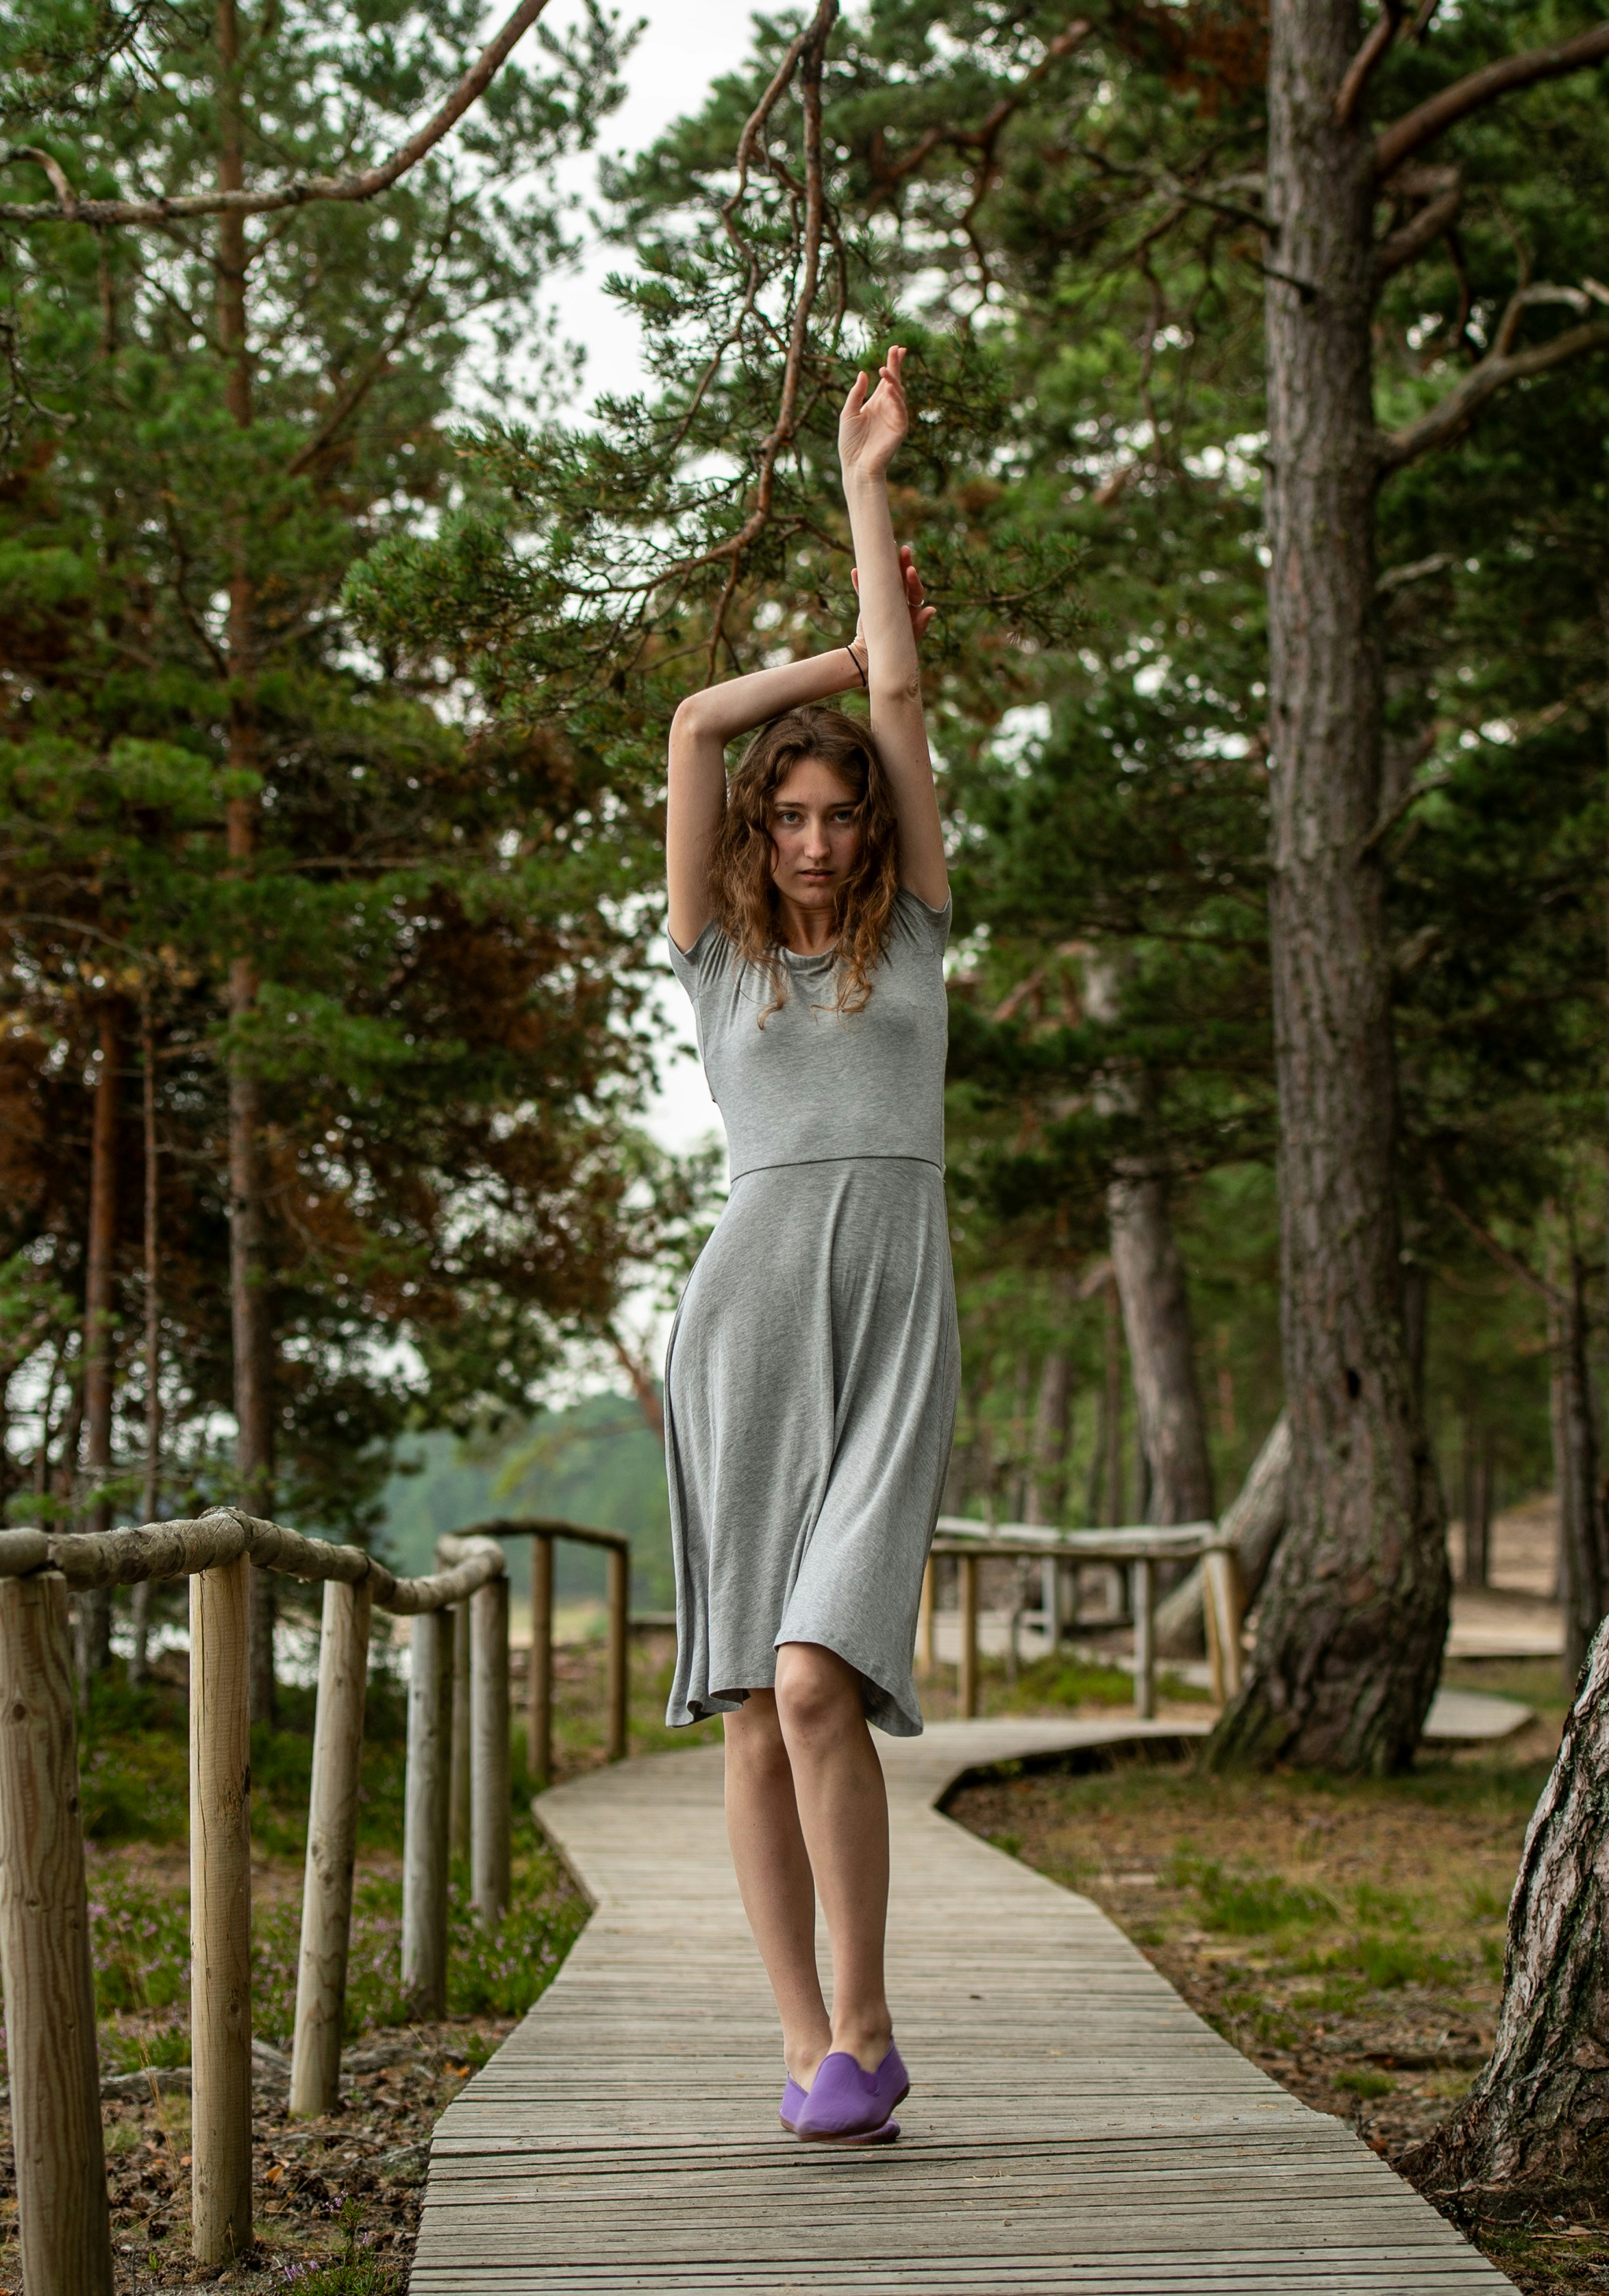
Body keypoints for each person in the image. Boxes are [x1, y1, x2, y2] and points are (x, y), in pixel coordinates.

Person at [658, 344, 951, 2148]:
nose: (823, 837)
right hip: (747, 1318)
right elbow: (695, 724)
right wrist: (823, 669)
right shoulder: (715, 960)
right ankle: (808, 2048)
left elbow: (908, 703)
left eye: (842, 810)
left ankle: (869, 2008)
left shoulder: (911, 939)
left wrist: (866, 496)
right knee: (755, 1707)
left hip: (891, 1302)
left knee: (821, 1669)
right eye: (795, 817)